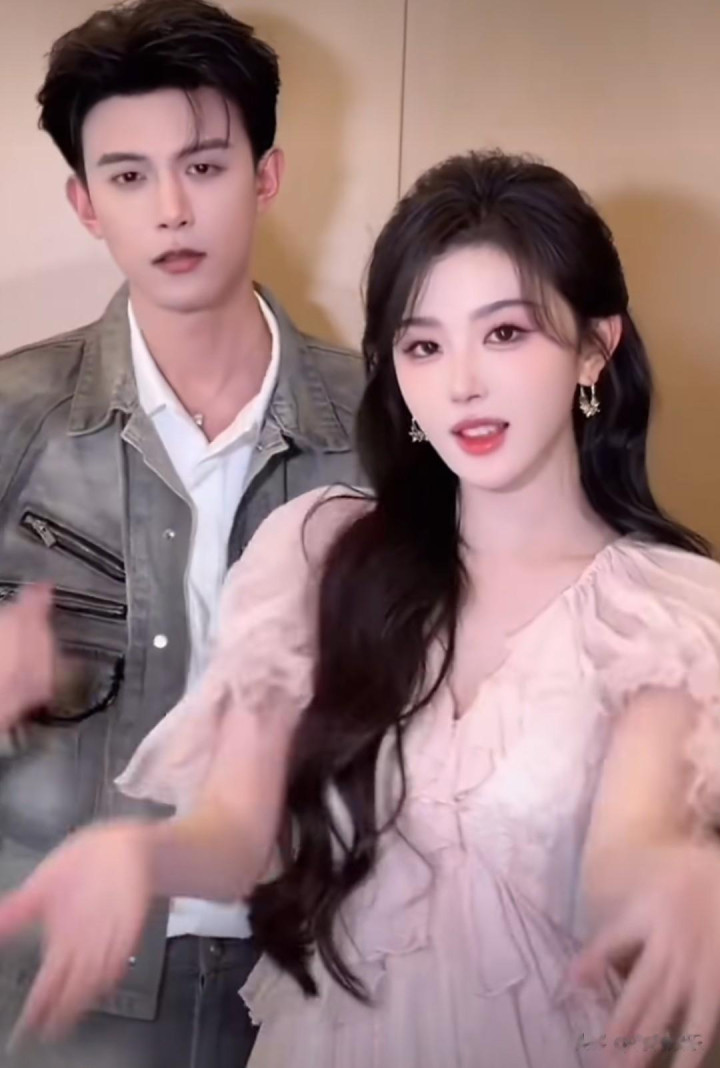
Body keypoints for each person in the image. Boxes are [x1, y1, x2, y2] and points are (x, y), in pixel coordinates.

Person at [2, 150, 720, 1068]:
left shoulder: (660, 608)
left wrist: (681, 876)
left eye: (505, 333)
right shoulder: (320, 552)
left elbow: (632, 848)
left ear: (594, 346)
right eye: (424, 346)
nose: (462, 383)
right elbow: (234, 833)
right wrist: (137, 856)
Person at [0, 1, 363, 1066]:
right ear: (84, 203)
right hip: (64, 986)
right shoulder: (13, 419)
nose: (170, 211)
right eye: (127, 176)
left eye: (204, 167)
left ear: (266, 176)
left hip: (321, 981)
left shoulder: (388, 424)